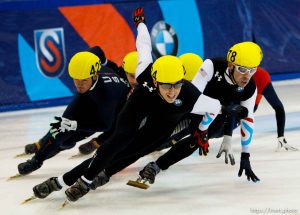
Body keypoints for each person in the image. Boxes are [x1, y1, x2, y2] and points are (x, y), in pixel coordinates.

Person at [30, 7, 245, 202]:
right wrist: (140, 22)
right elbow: (143, 43)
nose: (172, 91)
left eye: (177, 85)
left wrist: (207, 127)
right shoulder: (144, 72)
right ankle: (75, 182)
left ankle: (101, 175)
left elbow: (215, 108)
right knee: (115, 143)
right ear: (154, 81)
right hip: (139, 105)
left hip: (163, 122)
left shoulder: (190, 96)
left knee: (136, 150)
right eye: (166, 86)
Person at [136, 40, 263, 185]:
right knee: (160, 132)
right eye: (242, 69)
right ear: (230, 65)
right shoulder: (212, 66)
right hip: (194, 107)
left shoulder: (250, 88)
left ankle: (155, 166)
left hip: (216, 116)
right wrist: (206, 124)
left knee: (194, 142)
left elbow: (248, 119)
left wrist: (245, 155)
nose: (247, 76)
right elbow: (192, 100)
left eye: (252, 70)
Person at [17, 47, 131, 175]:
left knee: (69, 137)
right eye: (75, 79)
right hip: (90, 98)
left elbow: (105, 125)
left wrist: (77, 125)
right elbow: (96, 50)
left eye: (83, 80)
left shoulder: (107, 92)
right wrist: (65, 126)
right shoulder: (86, 73)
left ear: (94, 76)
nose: (79, 84)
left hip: (114, 111)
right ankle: (36, 161)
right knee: (61, 128)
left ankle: (69, 144)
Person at [77, 51, 139, 155]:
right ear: (125, 71)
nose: (135, 81)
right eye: (132, 75)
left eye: (138, 75)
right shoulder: (115, 71)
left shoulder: (149, 81)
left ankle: (96, 142)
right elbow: (97, 52)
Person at [252, 67, 298, 151]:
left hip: (256, 79)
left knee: (244, 112)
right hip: (257, 77)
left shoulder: (260, 75)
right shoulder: (260, 74)